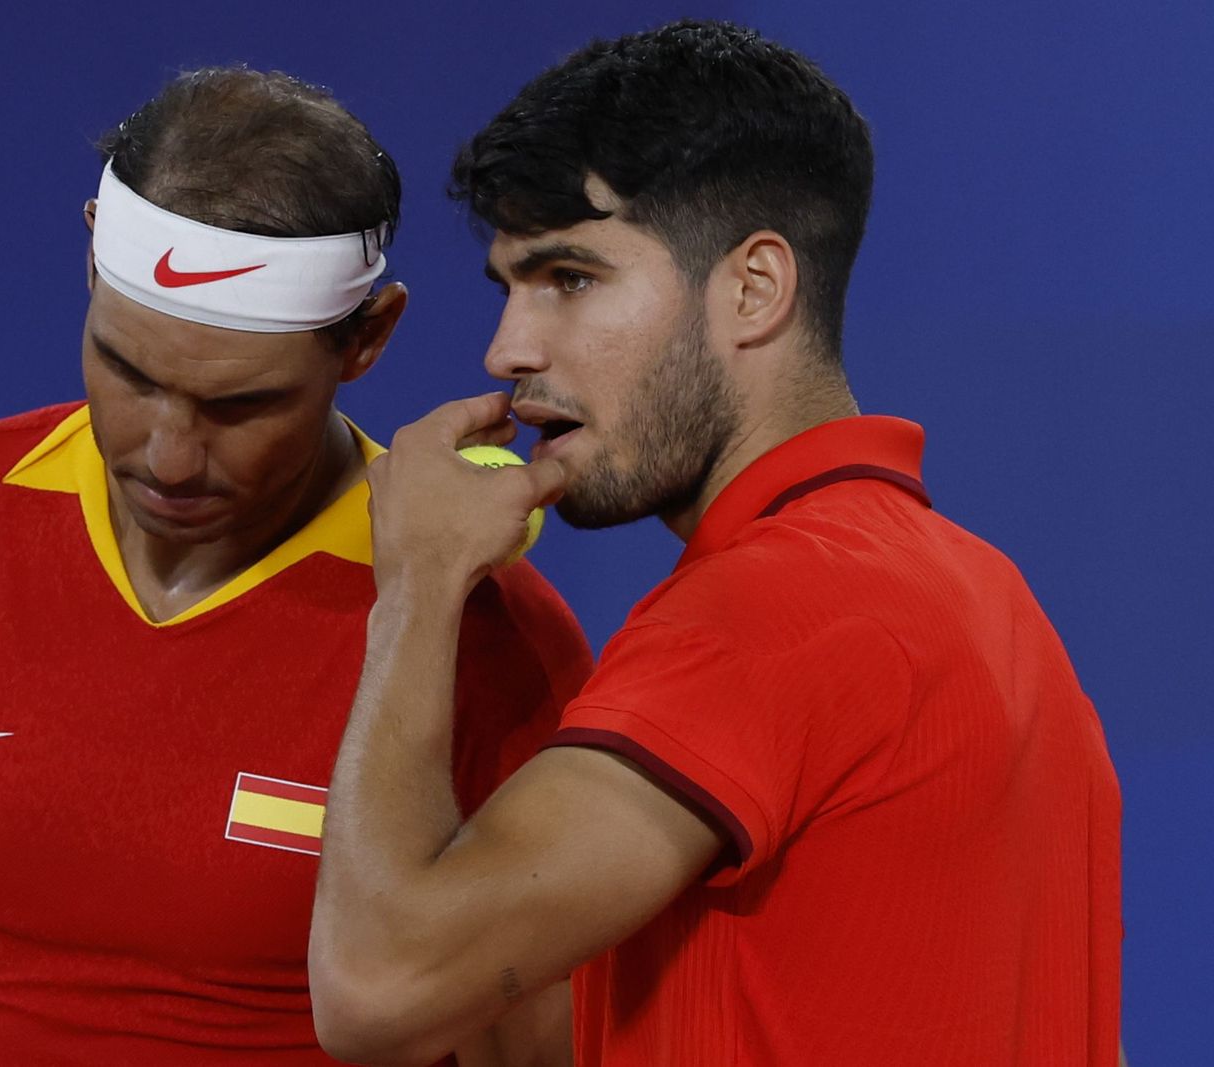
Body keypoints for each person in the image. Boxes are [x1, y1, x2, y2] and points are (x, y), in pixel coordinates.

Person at [308, 21, 1122, 1067]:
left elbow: (376, 990)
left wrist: (416, 582)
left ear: (754, 289)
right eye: (507, 286)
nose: (509, 347)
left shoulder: (767, 612)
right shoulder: (983, 593)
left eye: (570, 278)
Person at [0, 67, 591, 1066]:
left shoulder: (478, 625)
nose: (166, 456)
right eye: (127, 370)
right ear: (88, 272)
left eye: (239, 406)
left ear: (367, 338)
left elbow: (532, 1043)